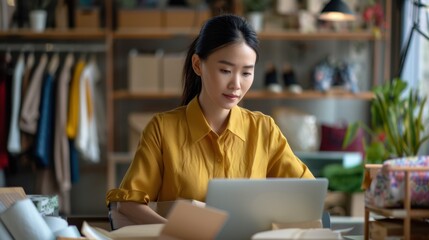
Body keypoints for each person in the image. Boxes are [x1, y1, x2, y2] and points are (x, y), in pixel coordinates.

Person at [106, 14, 314, 229]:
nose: (236, 84)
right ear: (198, 65)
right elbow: (128, 204)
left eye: (246, 73)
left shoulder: (264, 130)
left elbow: (307, 192)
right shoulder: (162, 129)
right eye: (225, 70)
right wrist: (180, 232)